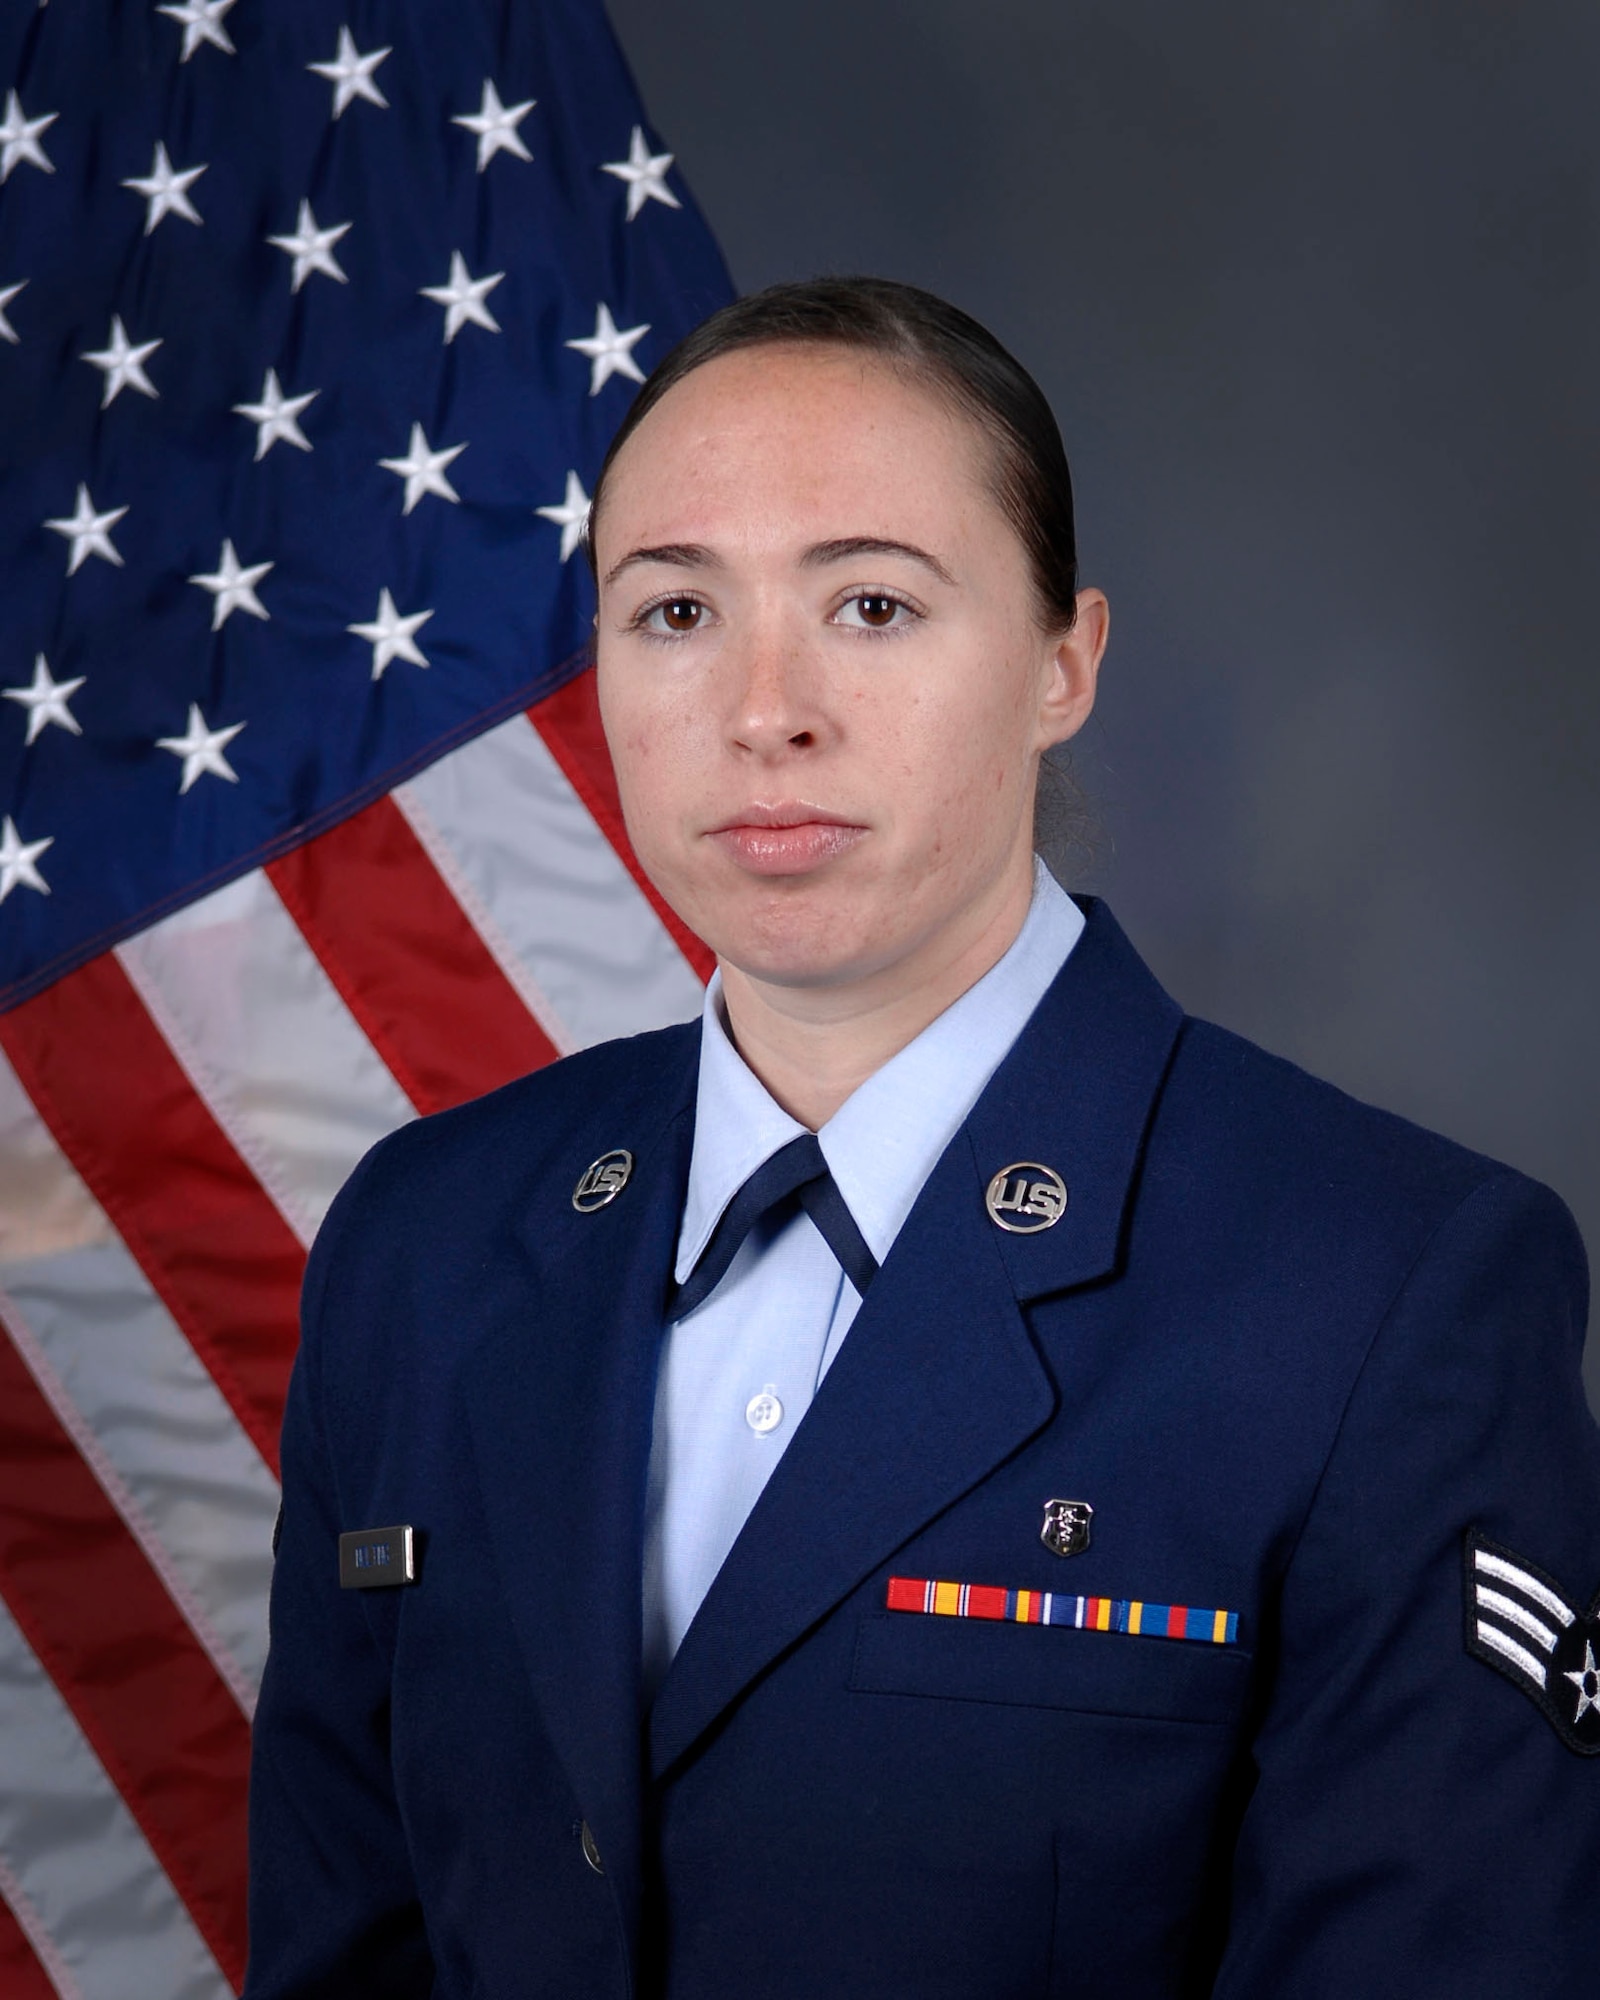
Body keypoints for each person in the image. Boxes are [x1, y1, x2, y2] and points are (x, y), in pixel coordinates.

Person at [244, 278, 1600, 1999]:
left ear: (1062, 664)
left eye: (873, 604)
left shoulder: (1390, 1289)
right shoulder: (424, 1244)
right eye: (673, 613)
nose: (764, 710)